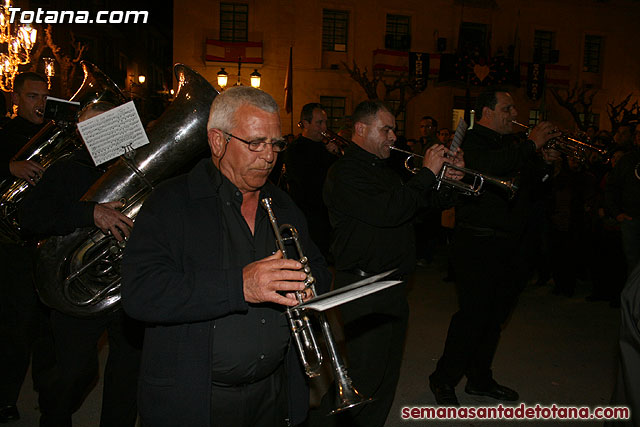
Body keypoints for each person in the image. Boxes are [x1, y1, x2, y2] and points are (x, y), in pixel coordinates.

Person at [120, 86, 331, 427]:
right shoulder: (171, 202)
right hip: (196, 400)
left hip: (274, 395)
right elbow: (140, 293)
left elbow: (319, 268)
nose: (269, 156)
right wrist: (240, 285)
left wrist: (308, 285)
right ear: (217, 141)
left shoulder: (284, 204)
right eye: (255, 143)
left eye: (276, 144)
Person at [315, 100, 462, 427]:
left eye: (394, 129)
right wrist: (426, 173)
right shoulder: (345, 172)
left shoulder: (384, 169)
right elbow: (389, 211)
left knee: (386, 377)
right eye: (386, 129)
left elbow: (419, 207)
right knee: (362, 378)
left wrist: (447, 181)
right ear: (361, 129)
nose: (394, 136)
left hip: (392, 284)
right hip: (362, 287)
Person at [429, 88, 561, 405]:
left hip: (510, 244)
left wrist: (546, 164)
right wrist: (532, 145)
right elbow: (492, 166)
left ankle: (479, 378)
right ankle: (443, 378)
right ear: (487, 112)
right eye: (507, 108)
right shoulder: (472, 141)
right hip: (477, 241)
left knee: (495, 317)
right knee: (473, 316)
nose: (514, 114)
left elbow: (531, 187)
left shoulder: (513, 145)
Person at [18, 101, 141, 427]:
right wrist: (90, 213)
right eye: (95, 128)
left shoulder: (135, 167)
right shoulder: (67, 169)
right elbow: (29, 217)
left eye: (112, 126)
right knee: (74, 374)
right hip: (76, 288)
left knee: (128, 373)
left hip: (125, 285)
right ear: (82, 133)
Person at [0, 72, 49, 423]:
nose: (40, 103)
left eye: (44, 97)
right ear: (16, 98)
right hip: (13, 245)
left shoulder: (54, 134)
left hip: (47, 242)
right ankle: (5, 397)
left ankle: (49, 396)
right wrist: (8, 167)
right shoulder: (3, 134)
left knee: (47, 325)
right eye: (32, 97)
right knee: (17, 327)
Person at [282, 103, 337, 260]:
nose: (324, 127)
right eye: (319, 122)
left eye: (325, 122)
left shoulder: (324, 148)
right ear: (306, 124)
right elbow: (306, 183)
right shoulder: (295, 150)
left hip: (326, 218)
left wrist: (333, 156)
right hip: (308, 218)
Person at [605, 130, 640, 276]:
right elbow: (612, 186)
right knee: (633, 265)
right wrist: (617, 212)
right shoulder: (628, 160)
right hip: (631, 220)